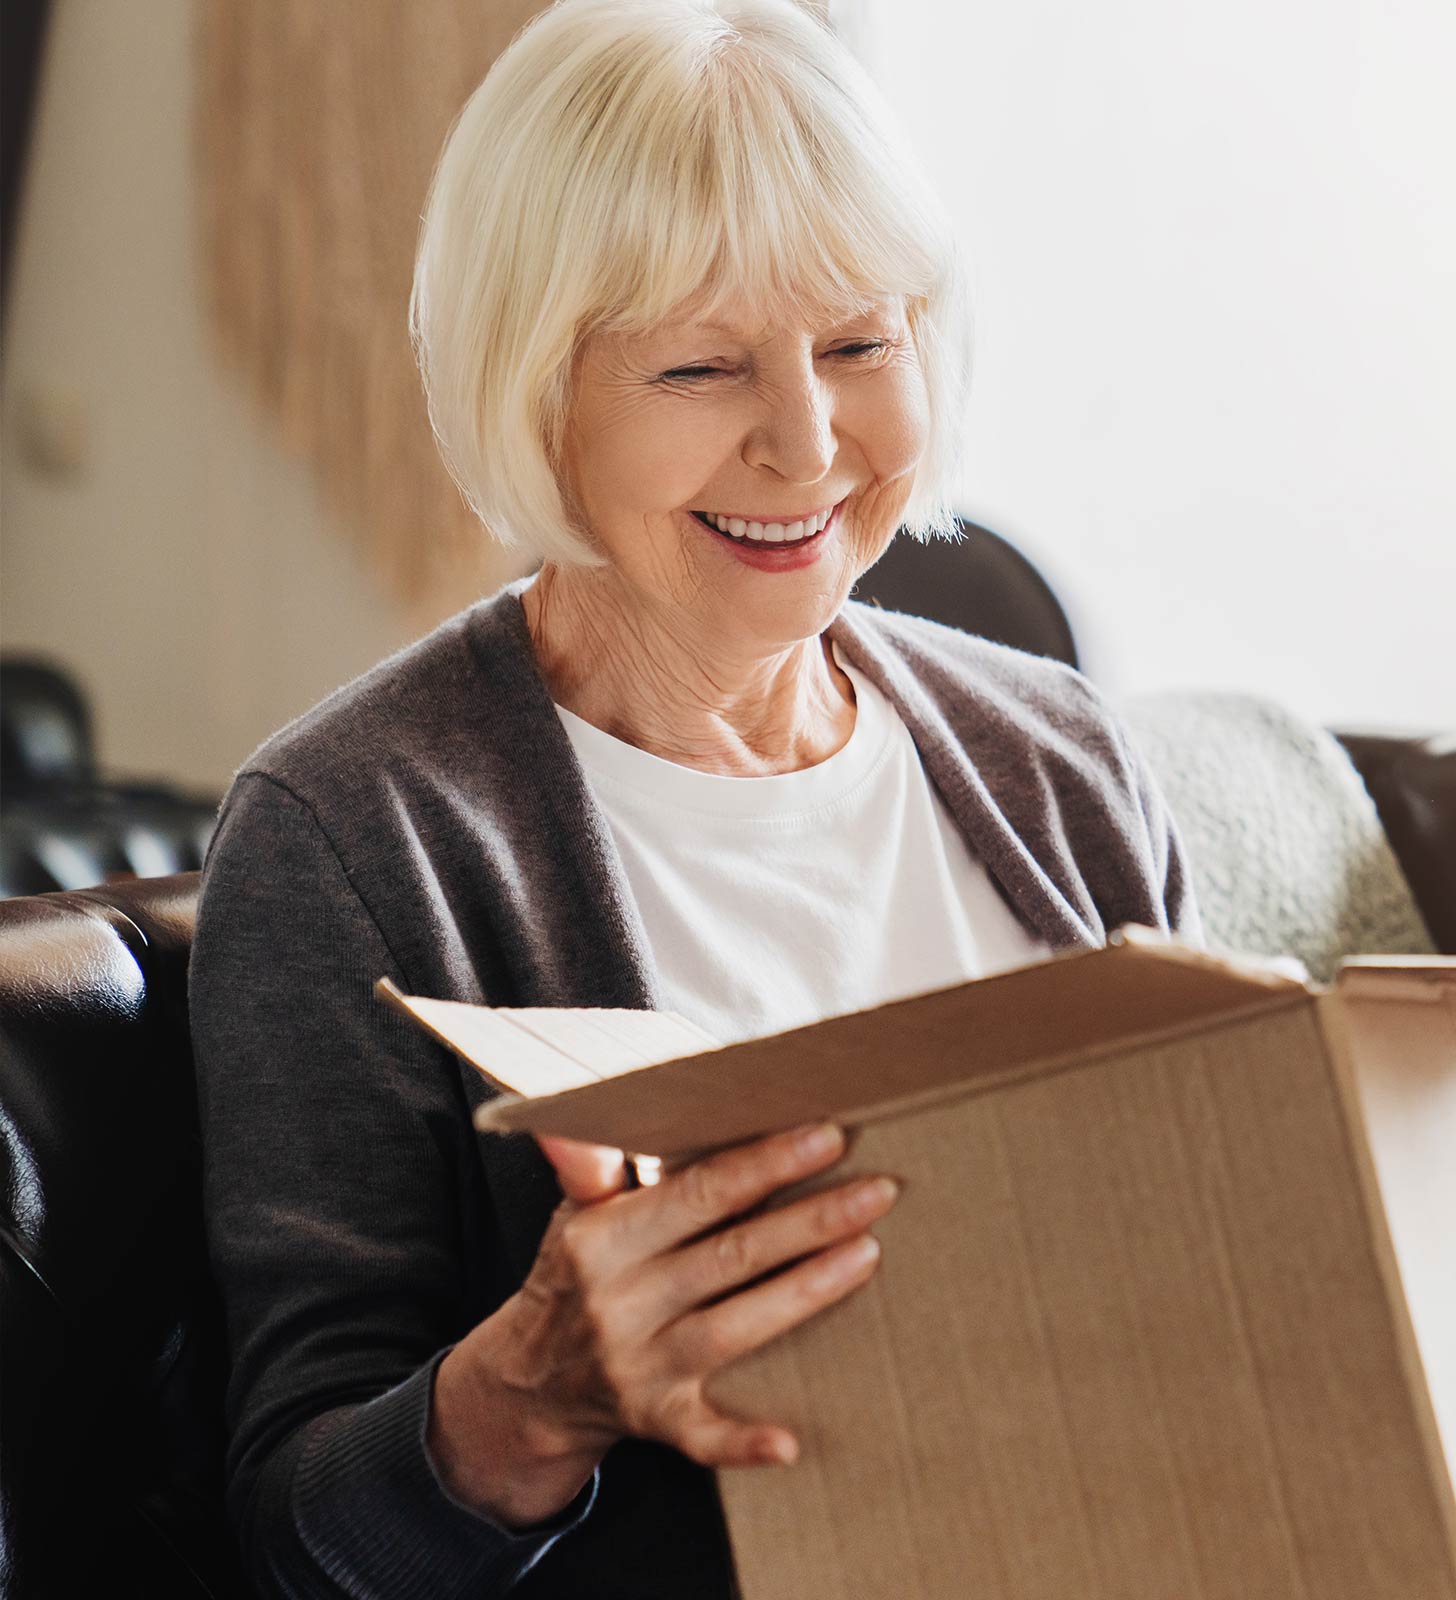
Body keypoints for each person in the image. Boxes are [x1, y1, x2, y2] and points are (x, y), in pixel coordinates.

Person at [188, 1, 1202, 1595]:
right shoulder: (353, 834)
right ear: (538, 396)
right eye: (700, 364)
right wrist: (530, 1403)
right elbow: (302, 1541)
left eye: (862, 344)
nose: (806, 442)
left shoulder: (1066, 760)